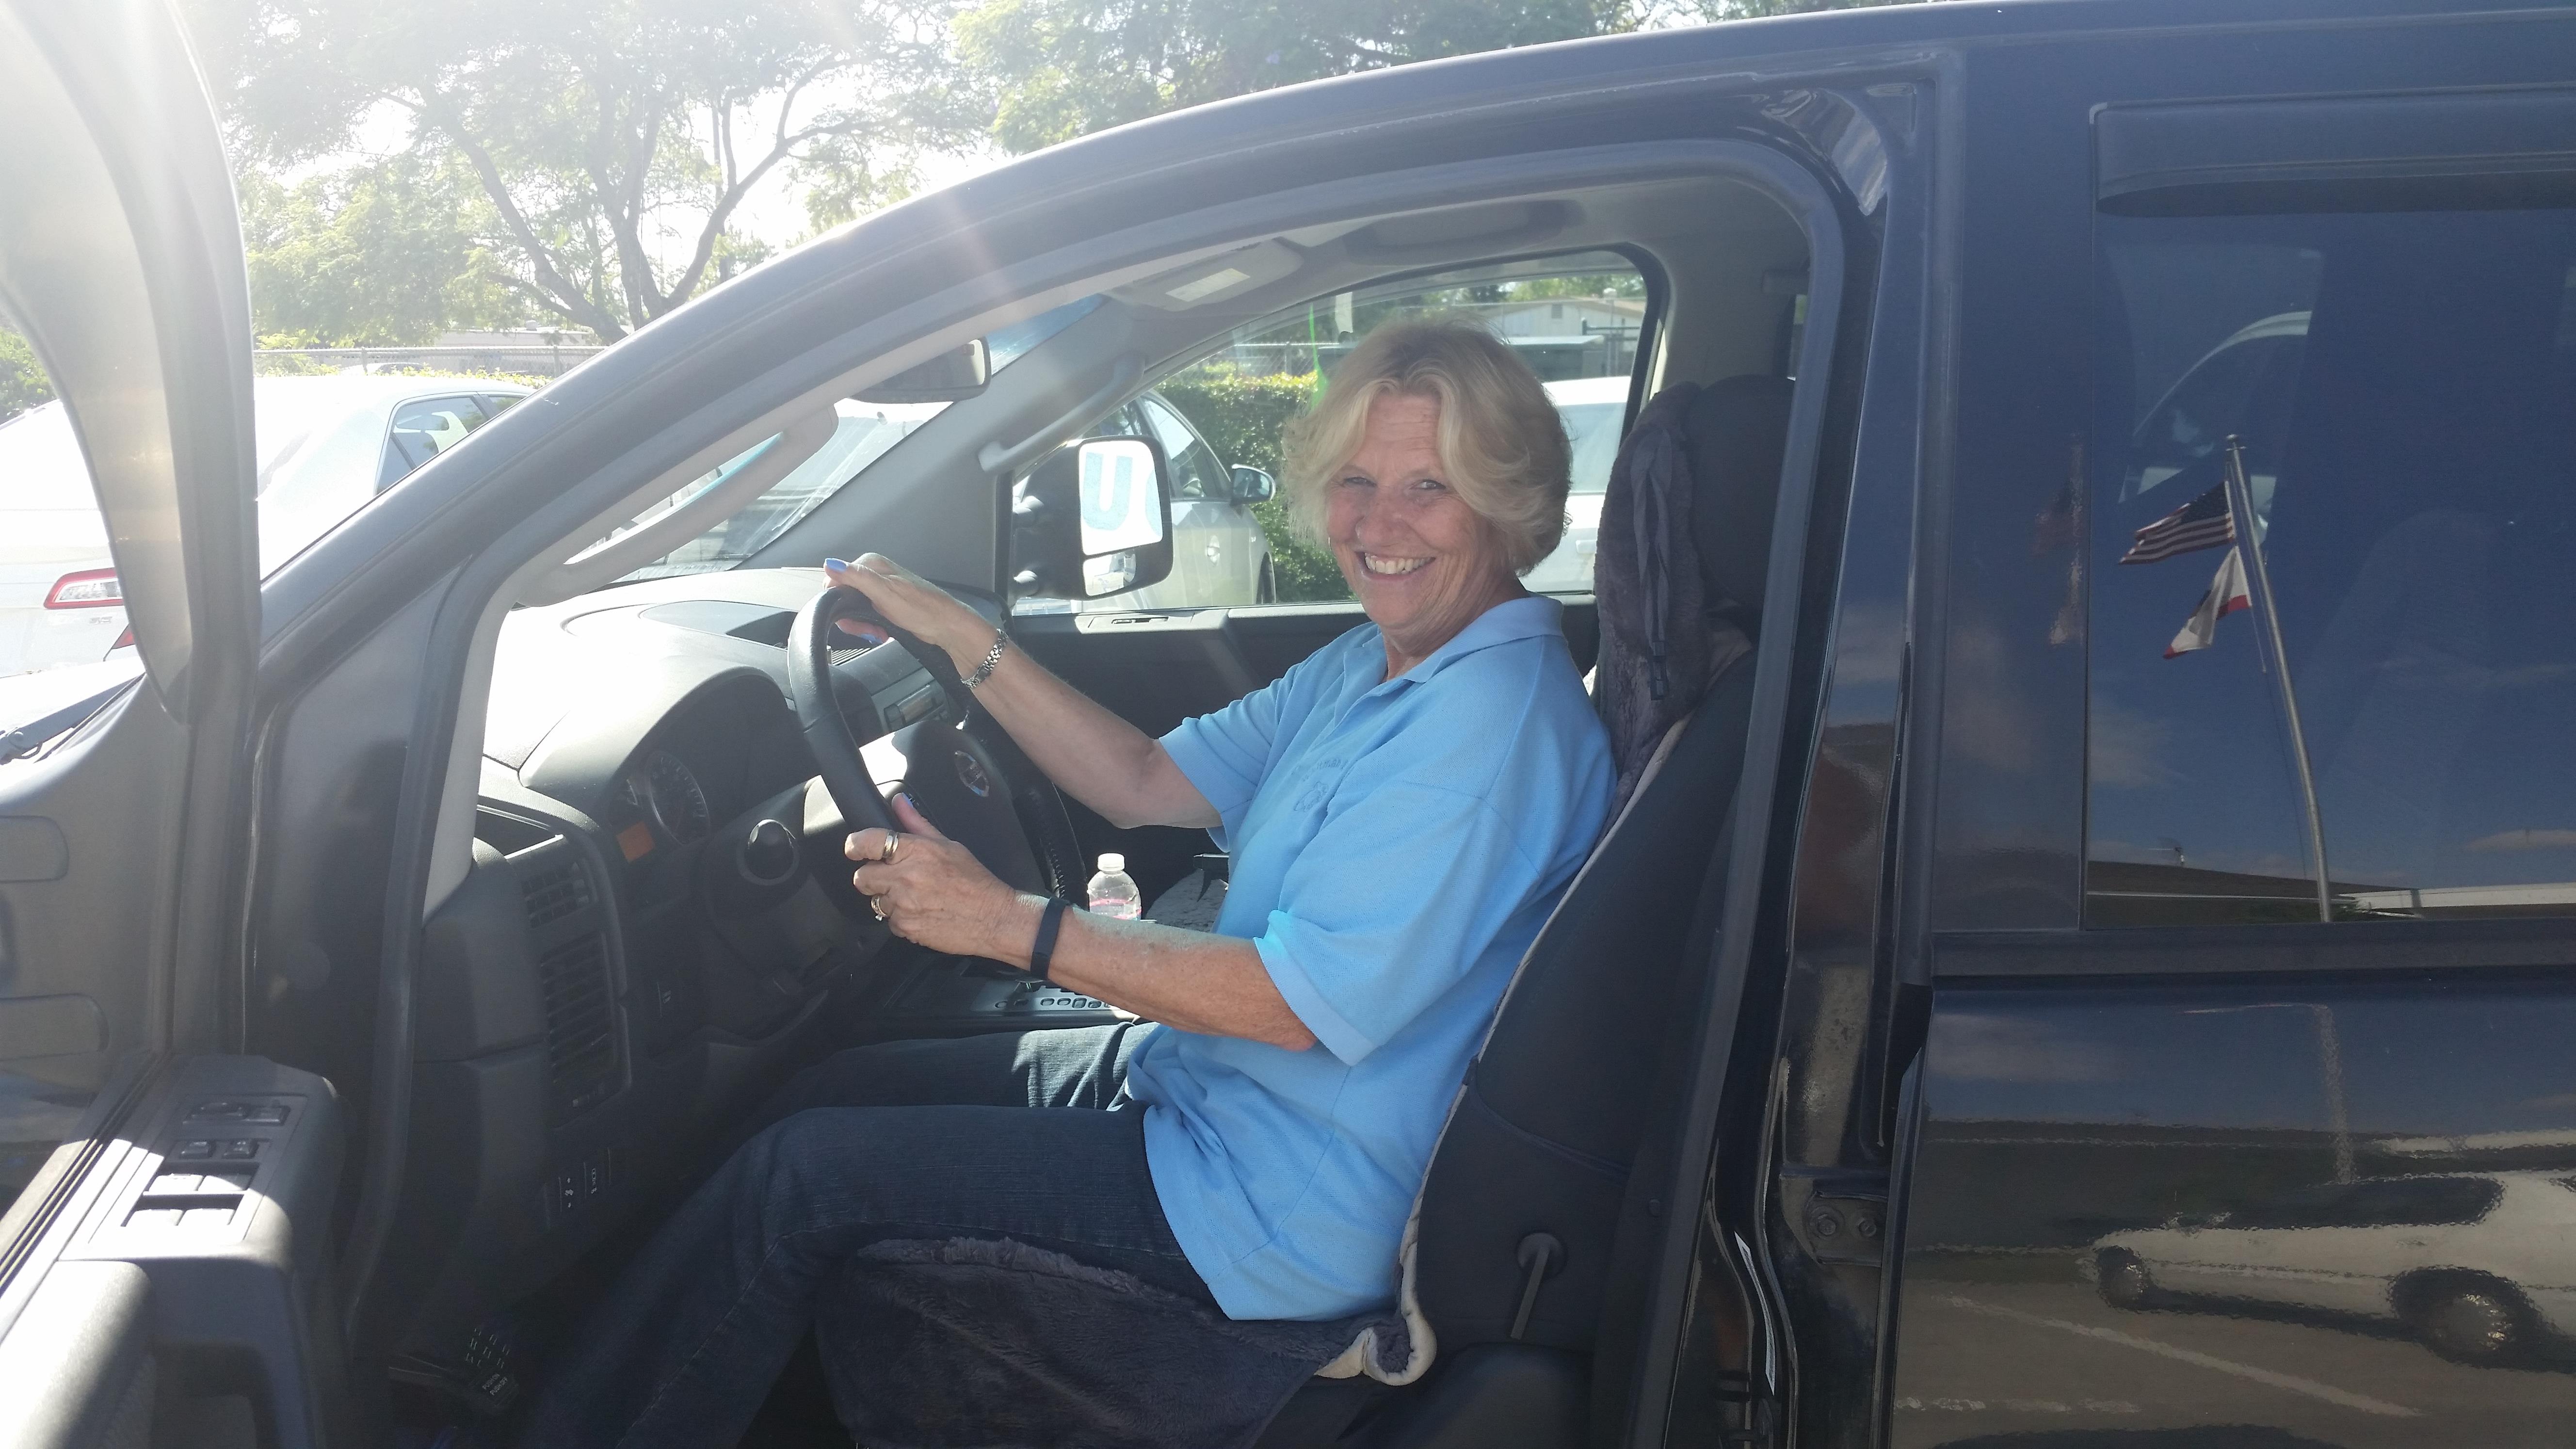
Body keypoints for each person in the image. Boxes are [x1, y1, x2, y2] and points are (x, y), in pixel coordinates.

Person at [516, 318, 1614, 1446]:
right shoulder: (1379, 663)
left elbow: (1293, 1005)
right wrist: (959, 637)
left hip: (1272, 1201)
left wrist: (1006, 925)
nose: (1378, 525)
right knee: (822, 1090)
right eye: (1354, 481)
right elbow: (1141, 780)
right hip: (1206, 1094)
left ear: (1506, 502)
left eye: (1427, 486)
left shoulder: (1485, 730)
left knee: (799, 1179)